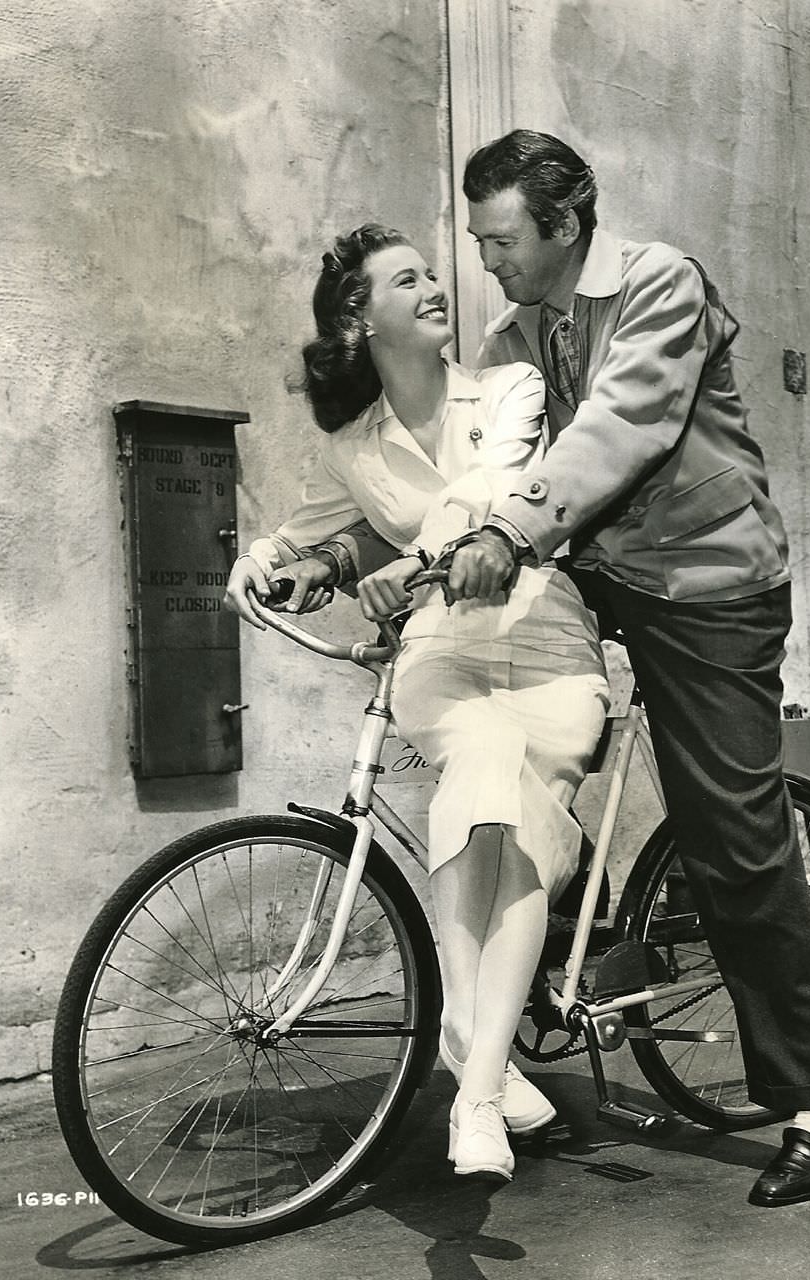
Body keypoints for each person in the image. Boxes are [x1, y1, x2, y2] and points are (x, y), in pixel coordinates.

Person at [441, 130, 810, 1208]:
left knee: (731, 835)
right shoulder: (512, 330)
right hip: (592, 570)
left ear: (564, 226)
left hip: (707, 581)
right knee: (504, 761)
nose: (486, 260)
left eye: (500, 241)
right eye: (478, 241)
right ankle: (533, 1001)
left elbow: (621, 427)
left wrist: (513, 528)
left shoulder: (657, 283)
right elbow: (482, 456)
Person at [223, 223, 609, 1184]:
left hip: (549, 641)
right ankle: (481, 1086)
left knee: (516, 823)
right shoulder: (354, 447)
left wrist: (409, 559)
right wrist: (256, 564)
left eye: (433, 272)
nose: (438, 285)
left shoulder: (507, 388)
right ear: (362, 318)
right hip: (442, 654)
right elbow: (309, 532)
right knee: (475, 774)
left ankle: (466, 1052)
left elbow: (491, 491)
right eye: (408, 279)